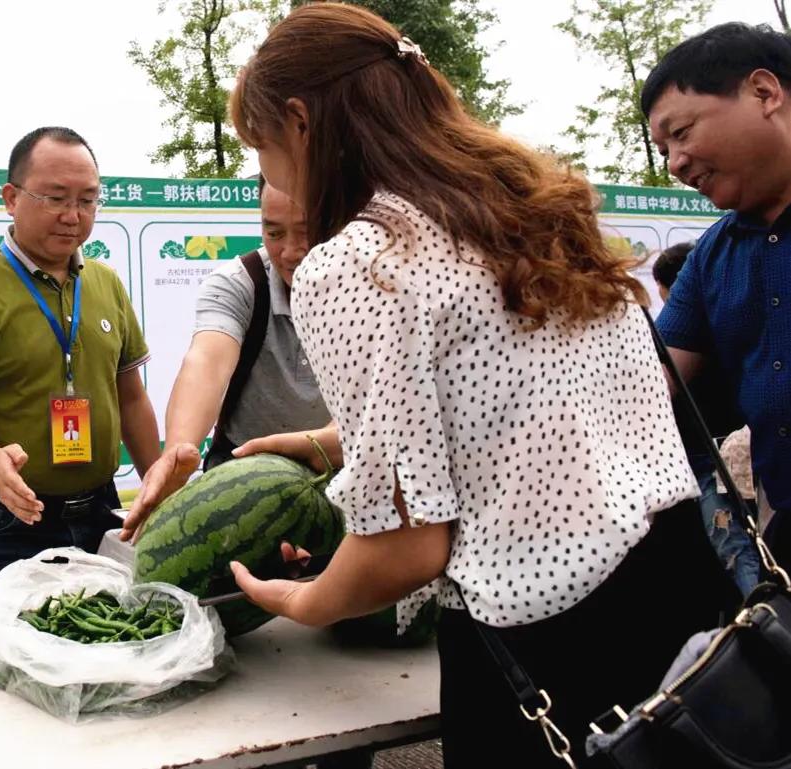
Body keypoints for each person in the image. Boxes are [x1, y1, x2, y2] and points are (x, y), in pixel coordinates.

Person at [222, 5, 738, 768]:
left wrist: (304, 599)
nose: (267, 176)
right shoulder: (535, 209)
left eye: (260, 150)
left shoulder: (356, 261)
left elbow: (406, 547)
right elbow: (518, 404)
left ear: (299, 122)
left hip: (550, 637)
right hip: (681, 584)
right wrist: (327, 445)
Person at [0, 126, 160, 580]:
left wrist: (160, 485)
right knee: (19, 645)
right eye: (55, 197)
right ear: (11, 198)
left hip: (101, 509)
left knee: (106, 639)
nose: (73, 215)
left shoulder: (106, 283)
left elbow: (130, 398)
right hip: (8, 518)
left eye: (87, 200)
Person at [643, 22, 791, 572]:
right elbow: (649, 381)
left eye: (680, 133)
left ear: (763, 92)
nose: (676, 163)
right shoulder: (712, 257)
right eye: (663, 150)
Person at [120, 177, 330, 541]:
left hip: (342, 480)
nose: (292, 252)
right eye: (274, 232)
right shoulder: (240, 283)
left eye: (306, 232)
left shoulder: (377, 291)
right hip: (241, 490)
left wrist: (324, 446)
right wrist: (179, 450)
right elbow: (207, 363)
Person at [653, 243, 759, 594]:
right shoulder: (737, 331)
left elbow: (659, 388)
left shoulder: (686, 340)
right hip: (744, 454)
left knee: (736, 550)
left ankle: (771, 626)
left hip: (713, 460)